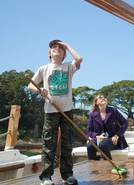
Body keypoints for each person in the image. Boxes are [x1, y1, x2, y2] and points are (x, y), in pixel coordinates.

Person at [28, 39, 83, 185]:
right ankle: (46, 177)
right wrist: (40, 89)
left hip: (67, 111)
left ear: (64, 54)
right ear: (49, 53)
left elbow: (79, 59)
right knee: (49, 145)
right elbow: (30, 85)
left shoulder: (68, 67)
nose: (56, 49)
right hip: (51, 111)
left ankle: (67, 175)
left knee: (67, 144)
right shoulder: (44, 69)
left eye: (60, 48)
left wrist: (68, 45)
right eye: (53, 47)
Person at [86, 94, 129, 160]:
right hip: (98, 139)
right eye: (100, 98)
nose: (103, 98)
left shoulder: (113, 111)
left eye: (104, 97)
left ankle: (107, 166)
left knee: (103, 144)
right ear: (96, 102)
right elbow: (89, 131)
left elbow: (125, 123)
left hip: (113, 140)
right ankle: (93, 168)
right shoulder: (92, 115)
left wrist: (117, 135)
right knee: (90, 146)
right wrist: (97, 136)